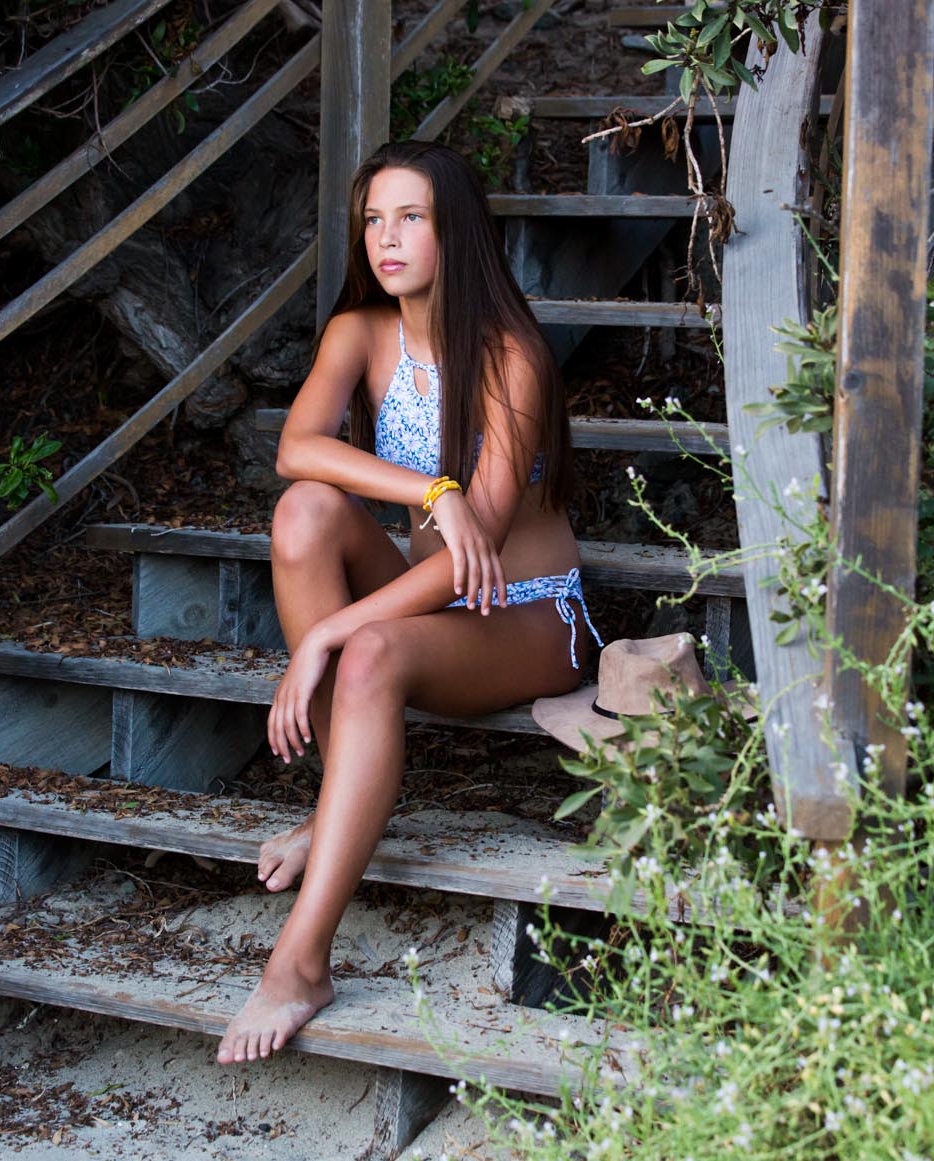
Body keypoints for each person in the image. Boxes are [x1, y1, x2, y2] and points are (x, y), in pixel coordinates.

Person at [216, 140, 604, 1065]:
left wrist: (330, 639)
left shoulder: (512, 355)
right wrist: (433, 492)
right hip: (427, 595)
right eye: (374, 219)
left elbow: (478, 559)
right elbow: (296, 451)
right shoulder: (359, 333)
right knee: (304, 512)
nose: (386, 239)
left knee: (372, 656)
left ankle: (300, 963)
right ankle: (336, 804)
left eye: (411, 217)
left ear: (454, 230)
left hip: (526, 612)